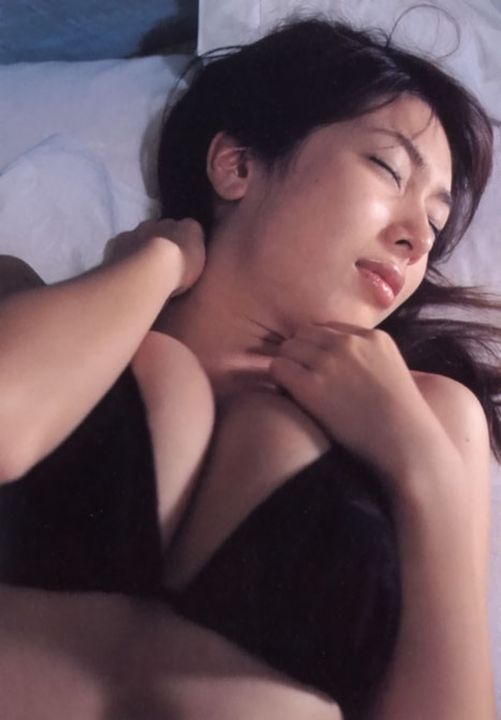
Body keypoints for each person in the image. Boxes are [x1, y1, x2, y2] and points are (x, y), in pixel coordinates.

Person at [0, 16, 499, 720]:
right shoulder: (31, 301)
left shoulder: (432, 419)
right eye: (389, 170)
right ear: (236, 166)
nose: (416, 238)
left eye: (436, 225)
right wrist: (154, 265)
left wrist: (421, 466)